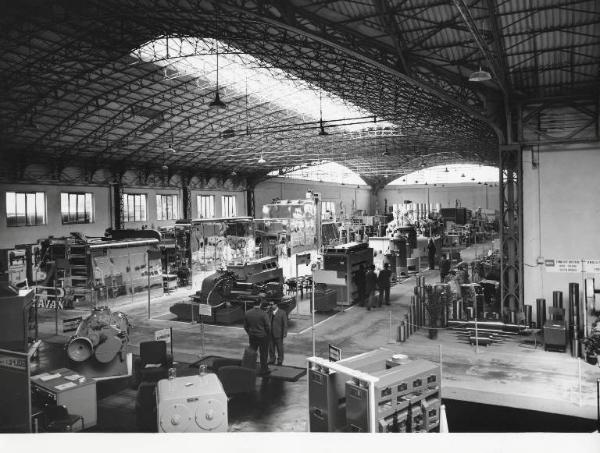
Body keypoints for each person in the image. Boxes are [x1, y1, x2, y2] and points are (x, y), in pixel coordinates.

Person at [243, 299, 271, 375]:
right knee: (263, 353)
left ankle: (249, 368)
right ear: (260, 304)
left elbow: (245, 326)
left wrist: (249, 333)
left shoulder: (247, 313)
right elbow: (268, 326)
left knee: (252, 352)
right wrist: (267, 334)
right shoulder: (263, 314)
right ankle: (264, 369)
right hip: (263, 337)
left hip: (252, 336)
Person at [268, 301, 288, 366]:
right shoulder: (269, 312)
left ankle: (280, 360)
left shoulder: (282, 312)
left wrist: (284, 333)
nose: (271, 306)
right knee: (271, 348)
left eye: (272, 304)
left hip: (278, 333)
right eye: (270, 304)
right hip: (270, 334)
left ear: (276, 305)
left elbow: (285, 324)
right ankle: (272, 359)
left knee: (280, 348)